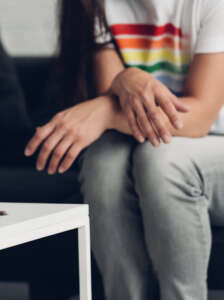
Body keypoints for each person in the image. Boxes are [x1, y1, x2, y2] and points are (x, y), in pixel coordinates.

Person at [24, 0, 224, 299]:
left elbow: (200, 118)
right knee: (103, 162)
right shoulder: (97, 6)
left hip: (214, 145)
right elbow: (113, 99)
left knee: (162, 161)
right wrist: (125, 80)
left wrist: (106, 108)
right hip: (150, 142)